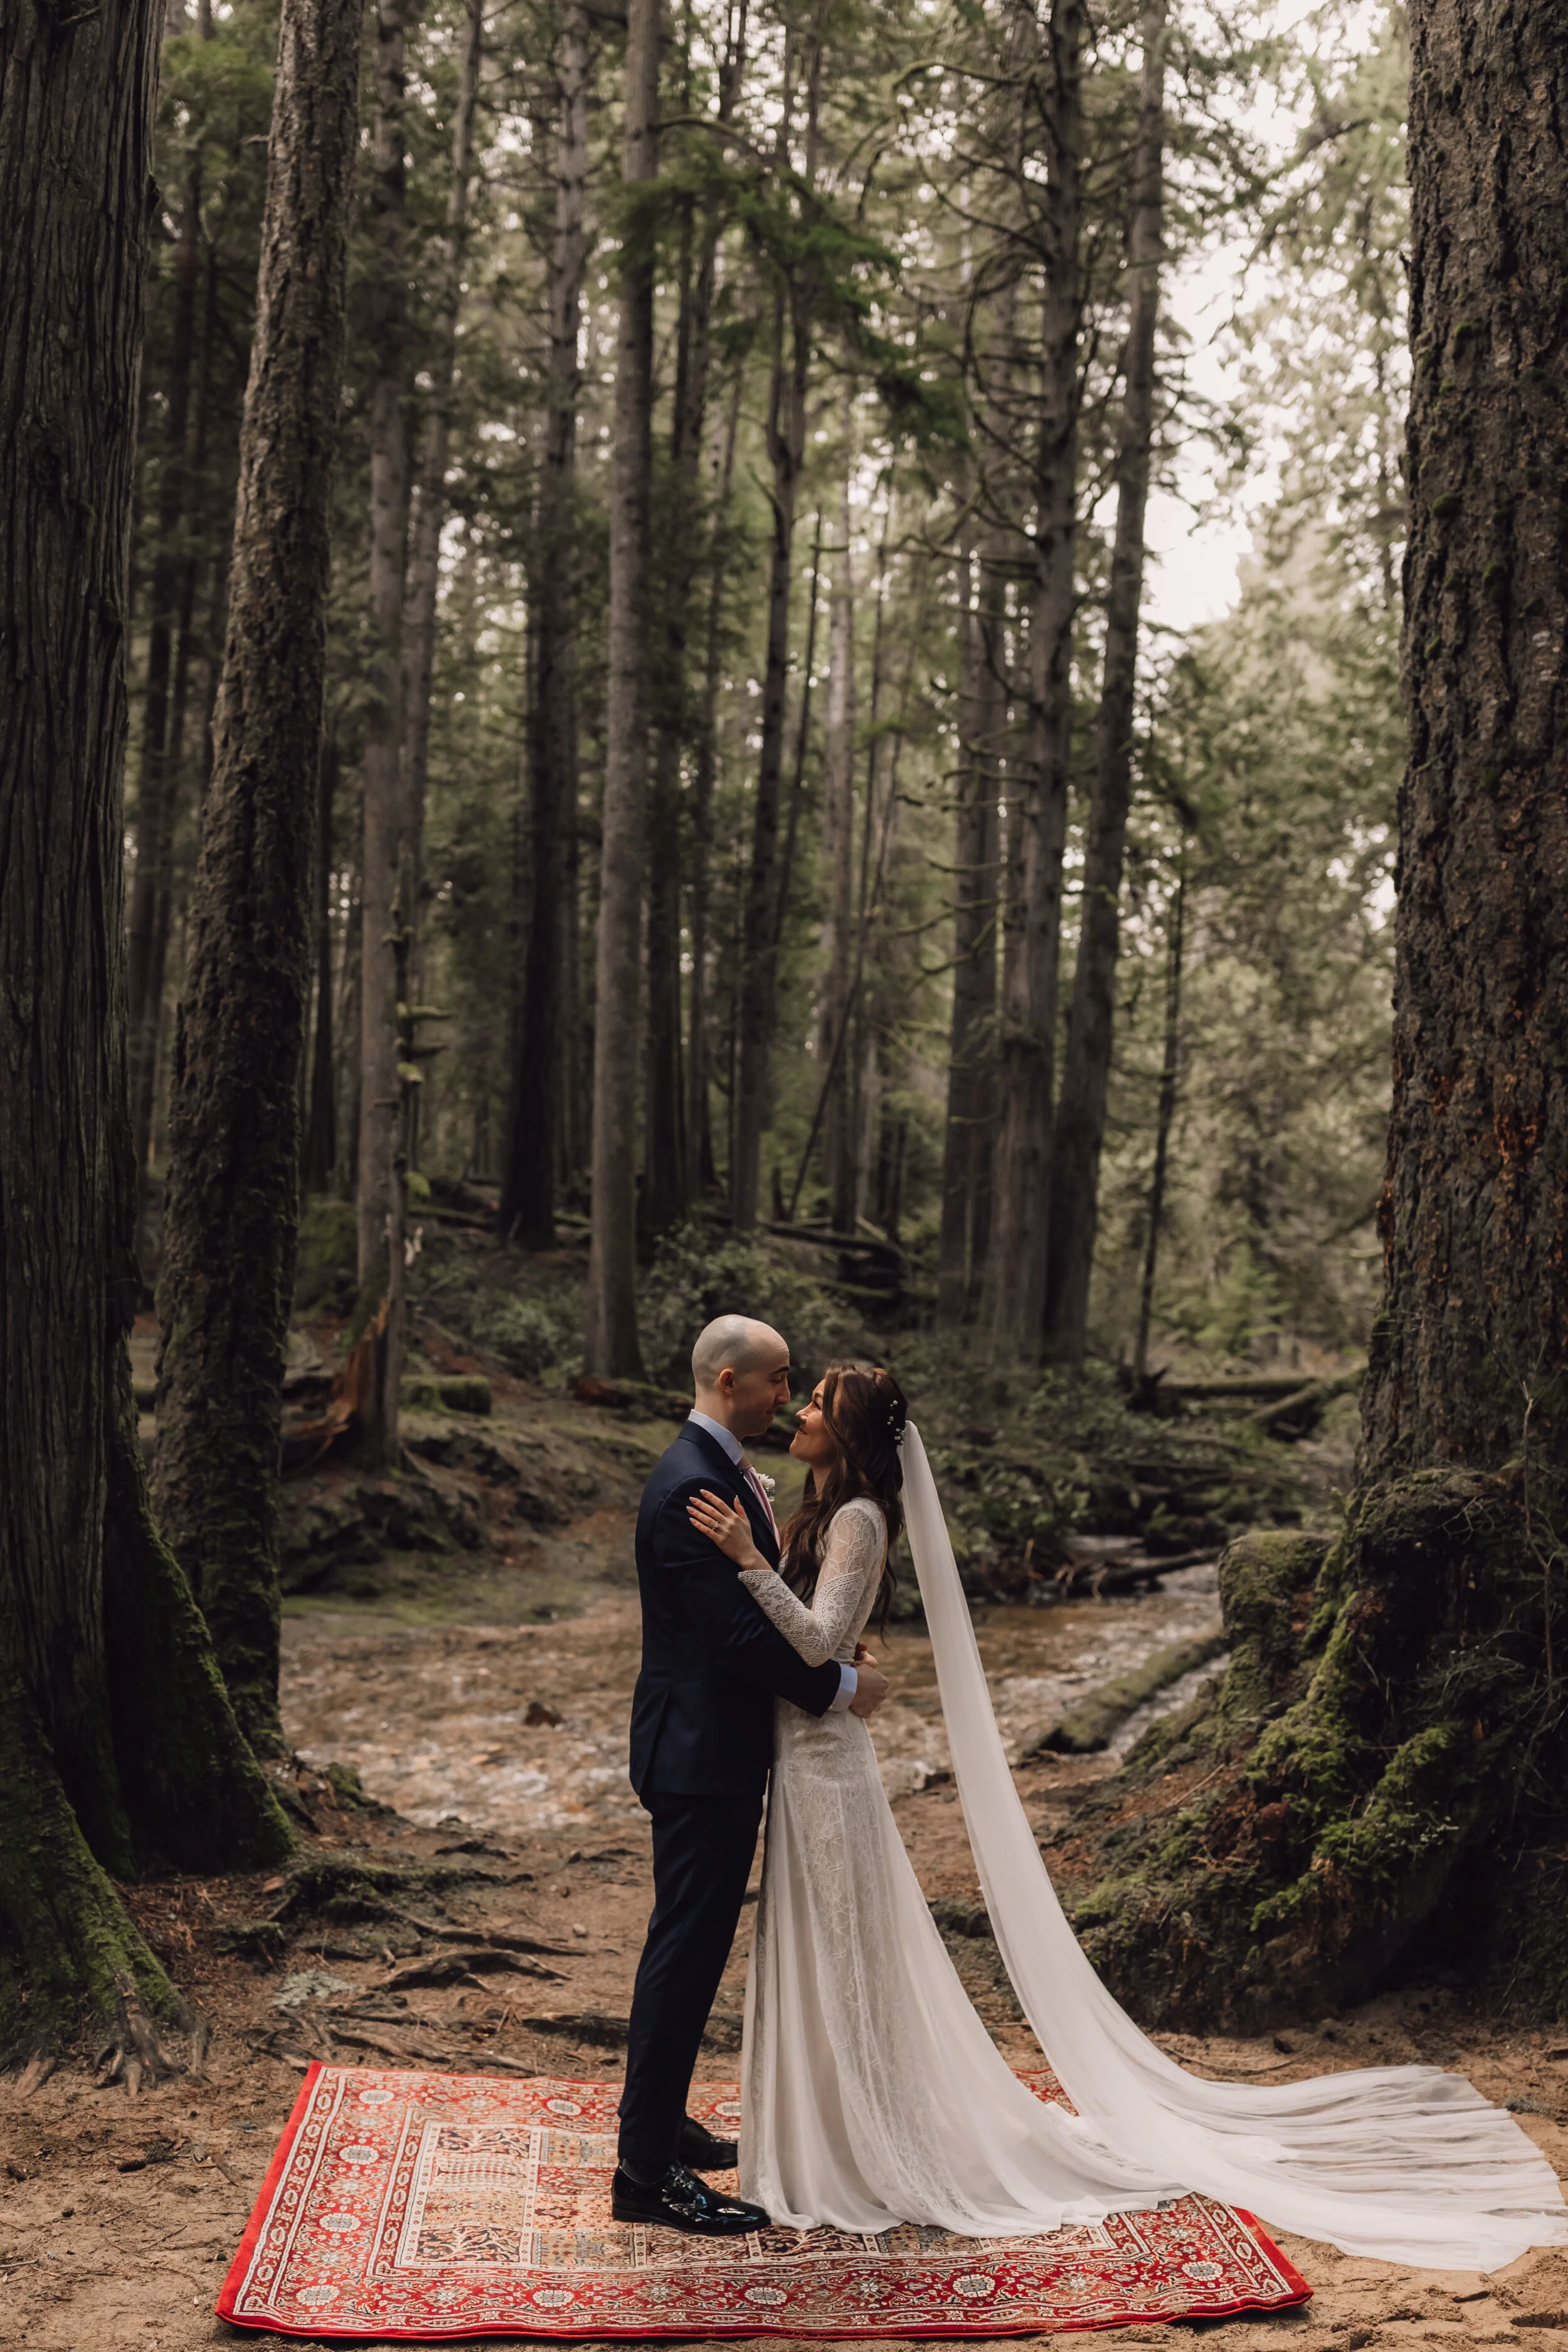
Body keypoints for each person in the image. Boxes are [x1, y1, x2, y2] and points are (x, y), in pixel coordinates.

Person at [686, 1361, 1568, 2272]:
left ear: (854, 1428)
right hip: (801, 1764)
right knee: (818, 1944)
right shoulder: (818, 1510)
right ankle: (821, 2128)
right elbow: (829, 1644)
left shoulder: (862, 1518)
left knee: (845, 1949)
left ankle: (869, 2139)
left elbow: (822, 1642)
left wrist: (749, 1565)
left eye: (820, 1401)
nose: (800, 1408)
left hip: (830, 1773)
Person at [612, 1316, 891, 2239]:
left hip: (717, 1751)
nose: (789, 1394)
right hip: (701, 1756)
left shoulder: (723, 1470)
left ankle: (663, 2122)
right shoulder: (692, 1481)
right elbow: (738, 1639)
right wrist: (846, 1683)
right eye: (779, 1381)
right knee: (684, 1957)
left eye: (799, 1387)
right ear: (731, 1380)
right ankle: (645, 2172)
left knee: (691, 1952)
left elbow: (777, 1604)